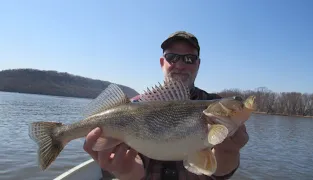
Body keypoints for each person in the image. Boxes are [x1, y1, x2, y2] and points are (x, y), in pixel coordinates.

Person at [83, 31, 249, 180]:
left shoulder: (216, 106)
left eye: (189, 59)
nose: (181, 65)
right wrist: (126, 172)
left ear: (198, 64)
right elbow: (131, 166)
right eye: (172, 58)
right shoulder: (133, 106)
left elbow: (219, 173)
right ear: (162, 62)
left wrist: (229, 151)